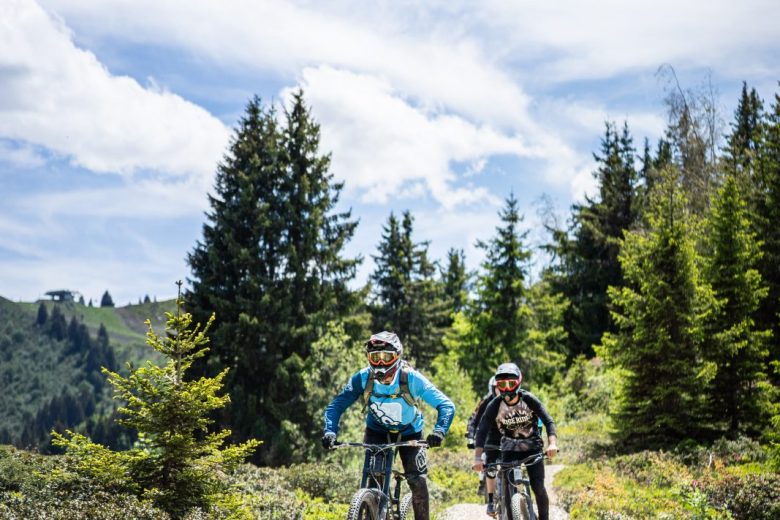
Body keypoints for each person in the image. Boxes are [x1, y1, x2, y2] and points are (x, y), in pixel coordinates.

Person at [322, 331, 456, 520]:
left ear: (397, 357)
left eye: (386, 357)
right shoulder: (363, 378)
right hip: (377, 431)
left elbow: (446, 405)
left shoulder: (411, 378)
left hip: (410, 433)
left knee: (417, 481)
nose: (380, 363)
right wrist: (330, 431)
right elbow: (336, 405)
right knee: (374, 480)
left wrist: (439, 431)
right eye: (374, 357)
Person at [472, 363, 558, 519]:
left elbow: (548, 421)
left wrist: (552, 443)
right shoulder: (495, 404)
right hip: (509, 451)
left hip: (533, 448)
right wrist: (478, 457)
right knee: (507, 490)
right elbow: (482, 430)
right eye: (501, 384)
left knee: (538, 487)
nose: (506, 388)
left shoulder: (529, 399)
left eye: (510, 383)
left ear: (518, 382)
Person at [466, 375, 500, 497]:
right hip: (486, 436)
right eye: (497, 387)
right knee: (484, 457)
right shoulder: (485, 402)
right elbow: (474, 421)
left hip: (505, 438)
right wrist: (471, 437)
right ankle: (482, 481)